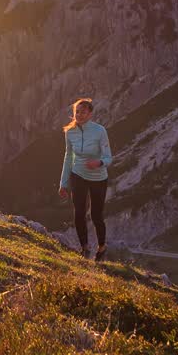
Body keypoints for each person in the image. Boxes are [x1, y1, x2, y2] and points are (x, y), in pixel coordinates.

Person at [57, 98, 113, 261]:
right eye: (77, 112)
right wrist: (63, 183)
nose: (79, 115)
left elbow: (109, 157)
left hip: (98, 177)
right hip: (78, 175)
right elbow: (68, 157)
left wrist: (99, 162)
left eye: (83, 112)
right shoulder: (70, 132)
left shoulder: (100, 131)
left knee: (96, 215)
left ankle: (101, 247)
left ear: (90, 114)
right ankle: (84, 248)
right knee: (79, 213)